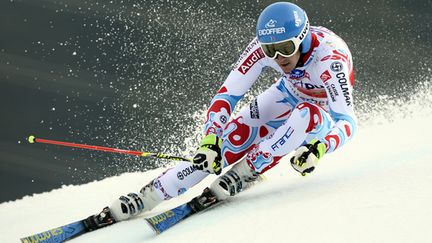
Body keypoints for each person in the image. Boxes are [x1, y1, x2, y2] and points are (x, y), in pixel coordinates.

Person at [106, 1, 357, 223]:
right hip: (286, 92)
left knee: (304, 113)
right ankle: (150, 195)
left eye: (285, 47)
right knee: (230, 140)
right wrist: (210, 138)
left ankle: (248, 171)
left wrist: (320, 147)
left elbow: (346, 121)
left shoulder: (329, 59)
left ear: (302, 38)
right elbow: (227, 95)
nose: (278, 57)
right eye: (271, 50)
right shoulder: (262, 49)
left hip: (318, 117)